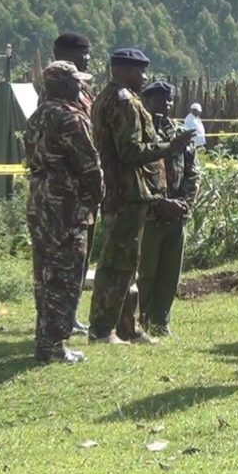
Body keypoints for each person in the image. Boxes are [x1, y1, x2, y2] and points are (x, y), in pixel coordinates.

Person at [88, 48, 193, 346]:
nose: (144, 77)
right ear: (125, 71)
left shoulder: (106, 97)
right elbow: (130, 151)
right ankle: (102, 329)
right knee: (117, 264)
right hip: (126, 192)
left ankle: (127, 328)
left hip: (123, 191)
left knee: (127, 264)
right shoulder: (123, 101)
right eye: (140, 71)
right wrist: (169, 147)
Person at [22, 61, 103, 364]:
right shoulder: (71, 118)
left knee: (44, 275)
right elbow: (90, 166)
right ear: (65, 85)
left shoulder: (37, 117)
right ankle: (54, 345)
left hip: (40, 201)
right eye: (76, 82)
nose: (81, 86)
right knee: (66, 276)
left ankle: (45, 340)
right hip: (67, 206)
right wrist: (98, 196)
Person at [137, 81, 200, 337]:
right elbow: (137, 172)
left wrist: (184, 203)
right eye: (161, 100)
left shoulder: (179, 133)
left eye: (170, 100)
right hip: (150, 214)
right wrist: (158, 203)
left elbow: (193, 172)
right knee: (146, 271)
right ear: (147, 101)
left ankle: (161, 320)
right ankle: (141, 319)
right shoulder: (141, 134)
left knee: (170, 272)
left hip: (176, 214)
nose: (167, 105)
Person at [52, 32, 97, 334]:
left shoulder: (83, 91)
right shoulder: (56, 95)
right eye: (83, 55)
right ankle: (59, 318)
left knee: (83, 252)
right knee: (64, 258)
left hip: (85, 187)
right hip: (66, 190)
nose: (88, 61)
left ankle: (71, 313)